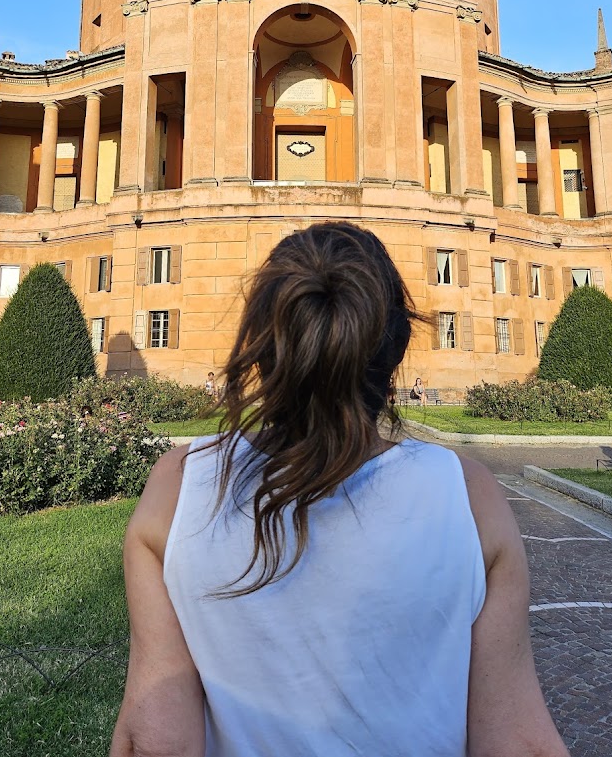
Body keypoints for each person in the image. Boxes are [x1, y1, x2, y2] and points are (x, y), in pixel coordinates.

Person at [111, 222, 570, 757]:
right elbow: (517, 742)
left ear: (261, 346)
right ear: (395, 351)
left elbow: (157, 743)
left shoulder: (178, 486)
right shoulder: (470, 497)